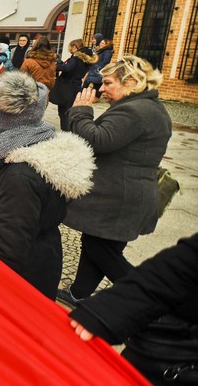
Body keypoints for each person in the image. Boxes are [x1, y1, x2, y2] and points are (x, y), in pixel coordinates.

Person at [59, 56, 172, 305]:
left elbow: (98, 140)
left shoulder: (135, 110)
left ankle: (150, 302)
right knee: (95, 245)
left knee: (102, 251)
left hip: (119, 198)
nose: (102, 89)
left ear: (130, 82)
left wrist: (80, 113)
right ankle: (79, 294)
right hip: (124, 195)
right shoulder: (146, 106)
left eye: (108, 83)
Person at [0, 72, 95, 299]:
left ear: (1, 123)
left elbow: (8, 248)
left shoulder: (20, 175)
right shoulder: (41, 143)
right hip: (42, 259)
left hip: (22, 277)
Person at [68, 232, 198, 386]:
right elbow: (184, 266)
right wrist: (108, 311)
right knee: (95, 244)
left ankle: (78, 292)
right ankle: (78, 291)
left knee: (98, 246)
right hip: (171, 366)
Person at [53, 39, 96, 131]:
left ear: (74, 47)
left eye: (71, 47)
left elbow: (67, 68)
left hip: (67, 86)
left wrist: (56, 66)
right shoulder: (86, 59)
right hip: (76, 85)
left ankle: (66, 131)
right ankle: (70, 130)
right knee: (70, 109)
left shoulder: (76, 58)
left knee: (64, 111)